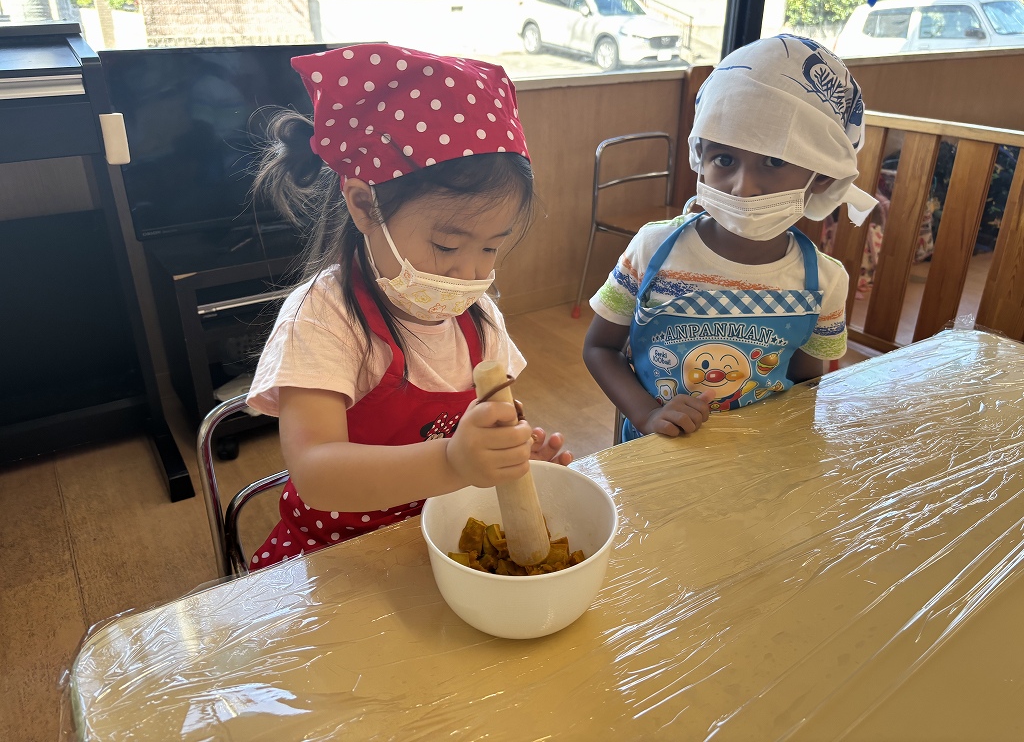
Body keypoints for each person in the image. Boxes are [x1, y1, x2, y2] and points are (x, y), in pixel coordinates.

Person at [245, 44, 571, 571]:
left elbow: (493, 421)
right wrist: (452, 461)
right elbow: (315, 472)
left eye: (491, 248)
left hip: (438, 540)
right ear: (364, 205)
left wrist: (508, 454)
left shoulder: (479, 318)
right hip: (336, 554)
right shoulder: (324, 318)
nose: (470, 273)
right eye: (447, 245)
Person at [583, 34, 877, 443]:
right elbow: (600, 349)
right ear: (700, 157)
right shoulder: (651, 250)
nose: (743, 187)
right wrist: (649, 414)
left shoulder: (825, 283)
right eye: (724, 159)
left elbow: (806, 387)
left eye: (773, 161)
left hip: (756, 461)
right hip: (654, 453)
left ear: (822, 174)